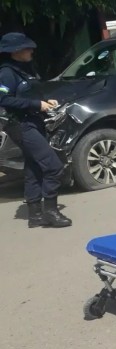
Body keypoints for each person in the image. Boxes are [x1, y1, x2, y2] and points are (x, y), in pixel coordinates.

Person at [0, 32, 71, 228]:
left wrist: (45, 102)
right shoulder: (6, 73)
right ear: (16, 51)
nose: (31, 50)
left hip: (34, 122)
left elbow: (30, 94)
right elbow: (3, 99)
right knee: (53, 166)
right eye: (27, 48)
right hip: (21, 125)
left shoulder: (25, 69)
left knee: (34, 167)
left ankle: (35, 215)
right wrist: (36, 104)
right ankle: (51, 212)